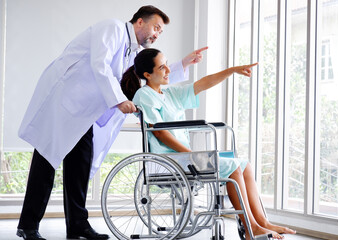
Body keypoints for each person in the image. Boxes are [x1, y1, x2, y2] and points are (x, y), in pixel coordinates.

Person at [17, 5, 208, 240]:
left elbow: (148, 75)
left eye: (160, 32)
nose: (157, 34)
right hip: (63, 103)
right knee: (45, 162)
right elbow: (101, 64)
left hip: (83, 113)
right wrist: (119, 101)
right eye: (156, 27)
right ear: (140, 22)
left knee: (80, 165)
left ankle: (77, 225)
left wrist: (182, 65)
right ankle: (27, 226)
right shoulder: (112, 29)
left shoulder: (132, 51)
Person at [121, 48, 297, 239]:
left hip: (183, 157)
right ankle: (250, 227)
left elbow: (203, 84)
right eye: (162, 67)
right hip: (170, 160)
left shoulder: (169, 93)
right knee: (232, 168)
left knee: (244, 165)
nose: (168, 71)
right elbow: (160, 133)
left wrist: (232, 70)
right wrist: (190, 154)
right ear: (147, 74)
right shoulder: (144, 95)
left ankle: (263, 222)